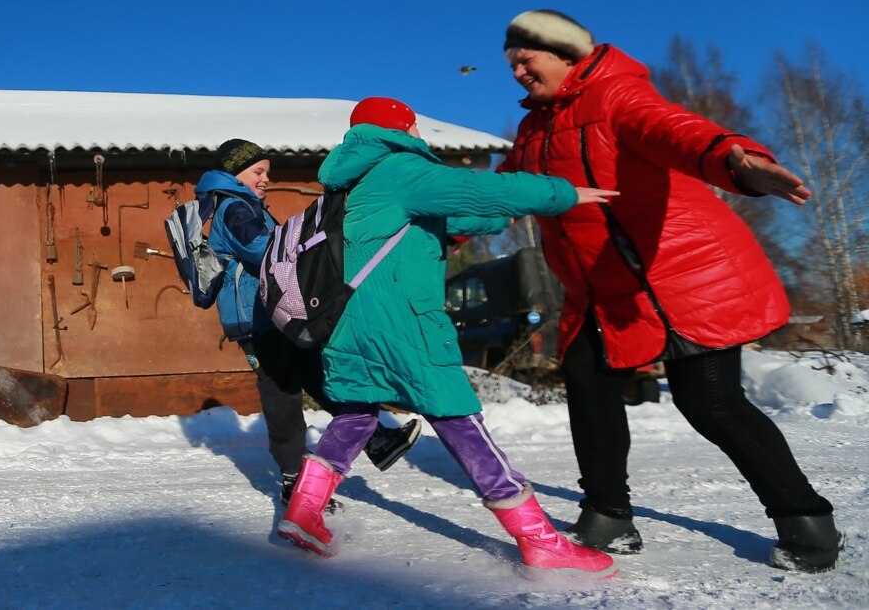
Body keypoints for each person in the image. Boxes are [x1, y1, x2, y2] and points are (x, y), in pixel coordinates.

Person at [496, 9, 842, 573]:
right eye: (510, 64)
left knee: (709, 401)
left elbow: (675, 131)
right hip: (601, 289)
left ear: (564, 55)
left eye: (525, 60)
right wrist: (437, 221)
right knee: (586, 383)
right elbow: (502, 191)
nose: (516, 73)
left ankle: (806, 518)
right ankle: (607, 514)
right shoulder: (533, 129)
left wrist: (735, 160)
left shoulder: (617, 96)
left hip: (679, 276)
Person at [276, 97, 620, 577]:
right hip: (405, 324)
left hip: (350, 323)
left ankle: (304, 512)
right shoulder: (400, 168)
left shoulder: (353, 180)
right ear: (407, 127)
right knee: (459, 418)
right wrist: (560, 194)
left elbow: (457, 214)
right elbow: (476, 191)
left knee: (355, 414)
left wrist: (502, 216)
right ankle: (538, 539)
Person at [196, 138, 422, 509]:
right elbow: (262, 249)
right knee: (281, 393)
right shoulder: (234, 208)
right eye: (258, 171)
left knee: (320, 376)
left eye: (267, 171)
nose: (266, 178)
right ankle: (291, 478)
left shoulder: (246, 205)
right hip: (258, 320)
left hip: (277, 310)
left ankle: (377, 439)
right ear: (235, 174)